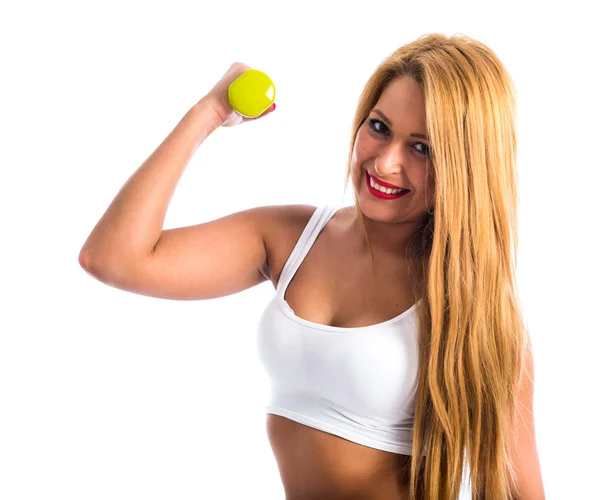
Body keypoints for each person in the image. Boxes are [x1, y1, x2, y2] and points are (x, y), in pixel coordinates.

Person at [78, 33, 545, 500]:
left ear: (464, 165)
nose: (384, 164)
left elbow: (517, 489)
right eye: (379, 127)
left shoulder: (476, 307)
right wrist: (210, 112)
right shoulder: (291, 237)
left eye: (421, 148)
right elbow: (113, 258)